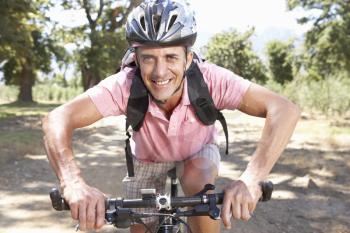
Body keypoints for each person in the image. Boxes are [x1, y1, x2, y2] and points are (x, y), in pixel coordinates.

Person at [42, 0, 300, 232]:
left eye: (171, 56)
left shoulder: (211, 79)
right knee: (141, 225)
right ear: (136, 58)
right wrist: (72, 182)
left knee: (197, 180)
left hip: (197, 153)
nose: (160, 71)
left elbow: (284, 109)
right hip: (146, 159)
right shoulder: (125, 85)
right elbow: (56, 119)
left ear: (188, 59)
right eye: (149, 58)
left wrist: (252, 178)